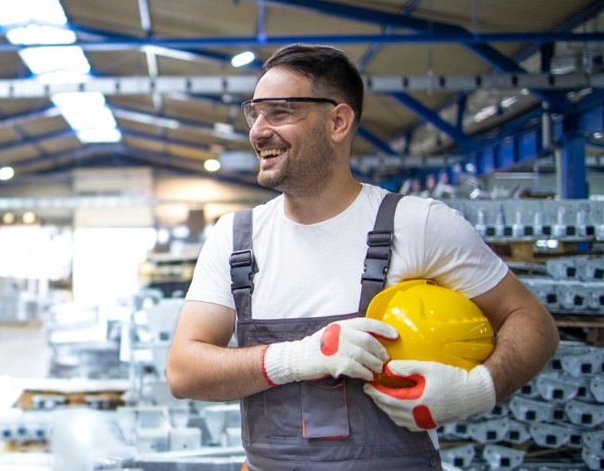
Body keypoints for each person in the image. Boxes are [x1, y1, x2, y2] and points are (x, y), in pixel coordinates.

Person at [166, 43, 560, 470]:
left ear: (338, 121)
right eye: (255, 113)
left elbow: (532, 321)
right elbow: (185, 370)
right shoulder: (236, 238)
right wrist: (298, 358)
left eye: (280, 112)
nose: (259, 130)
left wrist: (479, 388)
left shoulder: (417, 224)